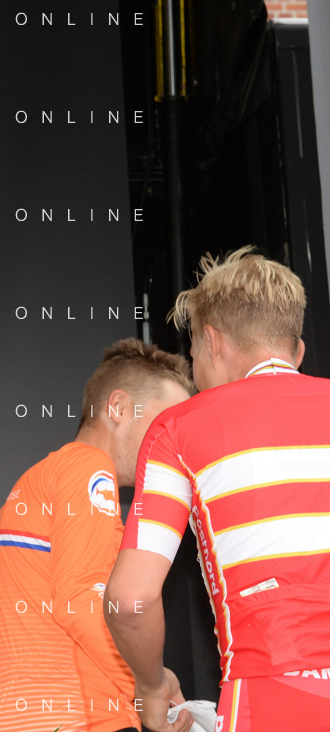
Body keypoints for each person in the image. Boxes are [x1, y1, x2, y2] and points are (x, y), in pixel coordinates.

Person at [106, 247, 330, 732]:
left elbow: (130, 600)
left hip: (273, 691)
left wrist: (151, 685)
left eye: (191, 357)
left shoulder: (179, 428)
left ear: (211, 342)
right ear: (297, 352)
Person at [0, 339, 194, 732]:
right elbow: (82, 600)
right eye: (163, 424)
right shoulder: (87, 467)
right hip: (82, 717)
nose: (171, 442)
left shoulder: (32, 485)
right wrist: (150, 686)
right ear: (118, 408)